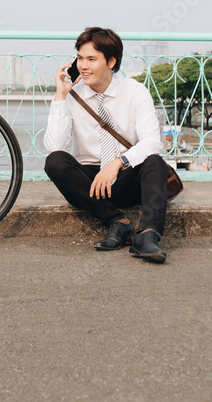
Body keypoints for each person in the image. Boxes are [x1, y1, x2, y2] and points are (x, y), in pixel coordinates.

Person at [43, 27, 170, 263]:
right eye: (80, 58)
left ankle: (146, 236)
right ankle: (117, 222)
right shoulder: (72, 95)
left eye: (92, 59)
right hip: (90, 185)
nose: (83, 66)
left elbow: (152, 141)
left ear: (111, 61)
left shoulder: (135, 91)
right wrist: (61, 96)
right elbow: (55, 146)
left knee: (154, 160)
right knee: (55, 162)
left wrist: (118, 162)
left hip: (125, 176)